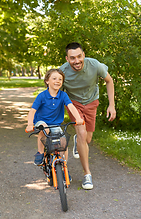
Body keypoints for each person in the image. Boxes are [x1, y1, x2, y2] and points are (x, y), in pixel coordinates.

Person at [60, 42, 116, 190]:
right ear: (67, 59)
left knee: (87, 139)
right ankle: (87, 174)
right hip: (74, 103)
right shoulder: (62, 72)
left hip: (92, 102)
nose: (76, 61)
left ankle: (79, 140)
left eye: (79, 56)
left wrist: (112, 105)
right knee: (82, 133)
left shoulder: (95, 65)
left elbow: (109, 81)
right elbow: (55, 92)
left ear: (83, 55)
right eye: (72, 58)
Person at [26, 69, 84, 168]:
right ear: (47, 81)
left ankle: (64, 167)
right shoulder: (42, 96)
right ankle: (40, 152)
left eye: (60, 79)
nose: (57, 81)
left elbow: (70, 106)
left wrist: (78, 118)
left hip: (55, 124)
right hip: (42, 122)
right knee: (44, 129)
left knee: (63, 141)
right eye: (54, 78)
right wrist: (30, 124)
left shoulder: (63, 95)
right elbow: (32, 111)